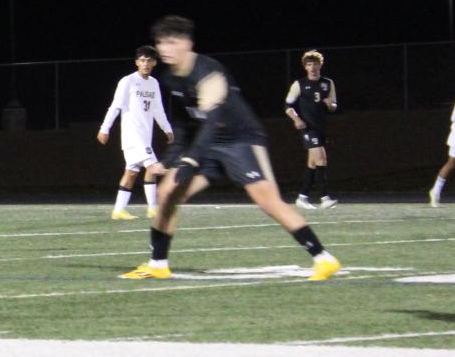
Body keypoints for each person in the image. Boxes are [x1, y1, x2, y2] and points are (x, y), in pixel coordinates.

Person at [122, 16, 340, 282]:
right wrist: (168, 160)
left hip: (241, 139)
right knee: (168, 192)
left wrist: (190, 160)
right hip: (208, 142)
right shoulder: (171, 79)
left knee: (268, 202)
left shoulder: (209, 71)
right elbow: (182, 127)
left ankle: (323, 258)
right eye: (160, 43)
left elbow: (215, 120)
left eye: (172, 41)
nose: (165, 48)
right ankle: (158, 264)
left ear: (188, 43)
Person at [96, 46, 173, 220]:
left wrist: (167, 129)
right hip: (133, 136)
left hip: (145, 136)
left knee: (131, 172)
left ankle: (118, 210)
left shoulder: (153, 83)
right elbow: (115, 106)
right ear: (137, 62)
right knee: (153, 167)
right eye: (142, 60)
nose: (145, 64)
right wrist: (104, 128)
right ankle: (154, 208)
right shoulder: (128, 81)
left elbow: (158, 110)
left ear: (154, 63)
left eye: (149, 60)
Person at [284, 49, 339, 209]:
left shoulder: (328, 83)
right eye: (309, 64)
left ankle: (302, 197)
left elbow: (334, 105)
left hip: (321, 127)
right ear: (305, 67)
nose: (312, 67)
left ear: (320, 65)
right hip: (308, 128)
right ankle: (325, 197)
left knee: (313, 164)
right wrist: (296, 119)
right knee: (322, 159)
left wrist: (331, 105)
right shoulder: (299, 84)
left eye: (315, 64)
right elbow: (288, 105)